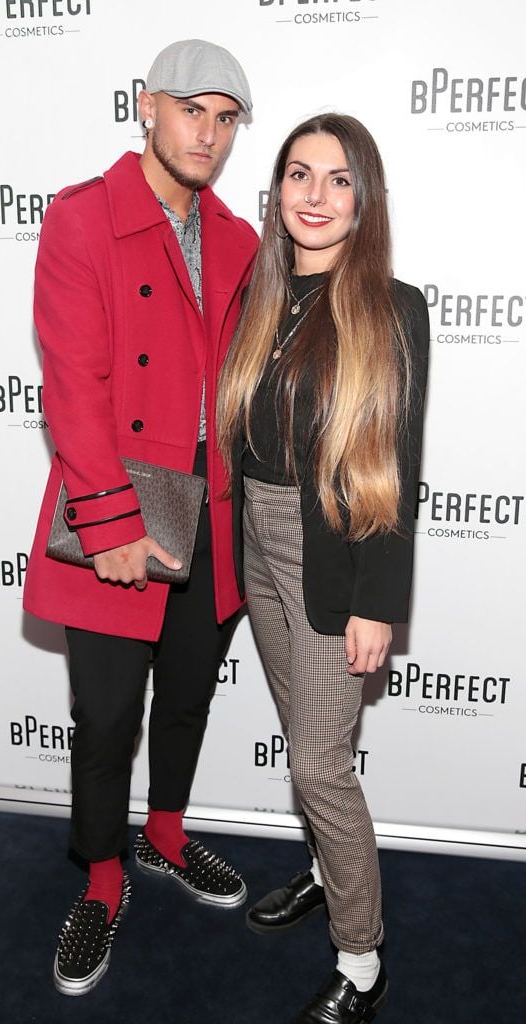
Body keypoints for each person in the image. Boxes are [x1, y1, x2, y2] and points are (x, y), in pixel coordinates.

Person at [23, 39, 258, 996]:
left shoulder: (243, 237)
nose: (206, 131)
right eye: (190, 108)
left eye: (226, 116)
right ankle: (104, 876)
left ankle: (164, 834)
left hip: (217, 506)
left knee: (192, 690)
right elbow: (71, 384)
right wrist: (112, 520)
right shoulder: (83, 218)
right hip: (123, 502)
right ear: (144, 107)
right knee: (107, 711)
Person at [217, 113, 429, 1023]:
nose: (313, 194)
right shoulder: (256, 296)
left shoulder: (391, 306)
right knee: (301, 726)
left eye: (337, 179)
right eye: (297, 174)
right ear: (276, 193)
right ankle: (321, 870)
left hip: (332, 551)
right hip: (256, 543)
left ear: (363, 197)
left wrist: (377, 601)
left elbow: (394, 465)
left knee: (315, 763)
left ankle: (361, 957)